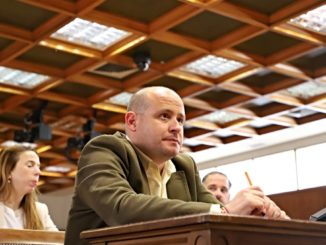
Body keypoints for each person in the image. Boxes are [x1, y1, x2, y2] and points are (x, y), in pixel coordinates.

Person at [65, 86, 288, 245]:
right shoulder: (104, 149)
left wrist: (256, 213)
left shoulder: (184, 165)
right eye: (164, 116)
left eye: (180, 120)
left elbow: (219, 214)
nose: (176, 127)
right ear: (132, 122)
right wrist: (226, 210)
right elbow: (121, 208)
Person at [0, 145, 58, 230]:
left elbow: (57, 241)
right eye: (30, 165)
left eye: (38, 167)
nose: (38, 172)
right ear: (8, 172)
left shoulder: (40, 211)